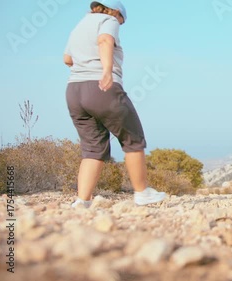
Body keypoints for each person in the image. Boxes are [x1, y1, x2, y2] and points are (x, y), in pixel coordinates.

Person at [64, 0, 166, 208]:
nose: (120, 24)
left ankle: (82, 201)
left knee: (92, 149)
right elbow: (104, 40)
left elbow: (67, 59)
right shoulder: (109, 20)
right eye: (122, 20)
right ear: (117, 13)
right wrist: (106, 71)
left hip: (74, 90)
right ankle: (142, 193)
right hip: (101, 87)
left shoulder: (79, 25)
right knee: (133, 138)